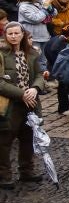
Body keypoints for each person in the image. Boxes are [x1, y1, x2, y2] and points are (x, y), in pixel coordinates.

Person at [0, 18, 51, 188]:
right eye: (10, 33)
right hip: (11, 104)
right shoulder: (1, 54)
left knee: (28, 137)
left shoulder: (31, 53)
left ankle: (27, 171)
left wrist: (35, 88)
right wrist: (22, 94)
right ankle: (4, 175)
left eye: (16, 33)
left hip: (30, 103)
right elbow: (1, 83)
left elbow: (39, 74)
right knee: (5, 140)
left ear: (22, 34)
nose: (13, 36)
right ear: (5, 35)